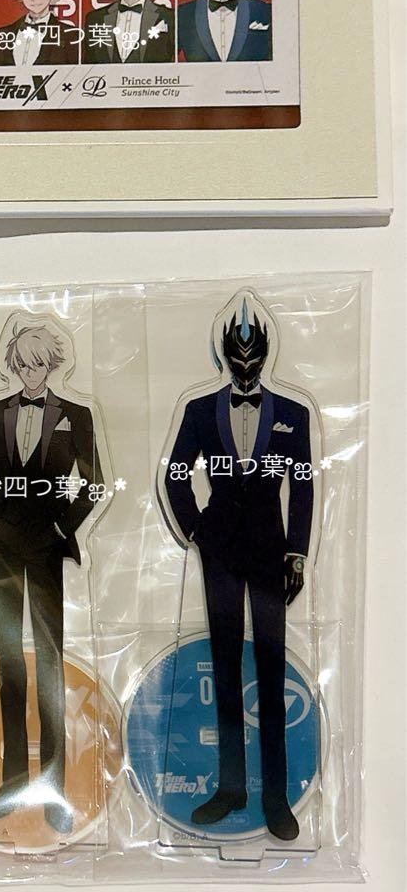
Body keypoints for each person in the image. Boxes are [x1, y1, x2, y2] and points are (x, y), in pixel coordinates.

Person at [160, 296, 313, 841]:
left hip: (271, 550)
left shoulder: (293, 414)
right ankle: (230, 788)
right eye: (236, 356)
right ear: (225, 355)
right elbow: (176, 475)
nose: (245, 366)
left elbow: (303, 485)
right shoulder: (200, 410)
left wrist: (297, 552)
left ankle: (275, 796)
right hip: (220, 549)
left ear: (265, 355)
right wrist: (196, 531)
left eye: (253, 357)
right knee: (225, 667)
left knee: (270, 670)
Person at [0, 323, 102, 835]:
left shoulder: (77, 415)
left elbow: (93, 483)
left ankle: (53, 788)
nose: (30, 374)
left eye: (39, 365)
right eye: (23, 365)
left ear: (52, 365)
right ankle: (11, 784)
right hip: (3, 545)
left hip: (48, 546)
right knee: (9, 664)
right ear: (13, 364)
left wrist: (61, 527)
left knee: (49, 664)